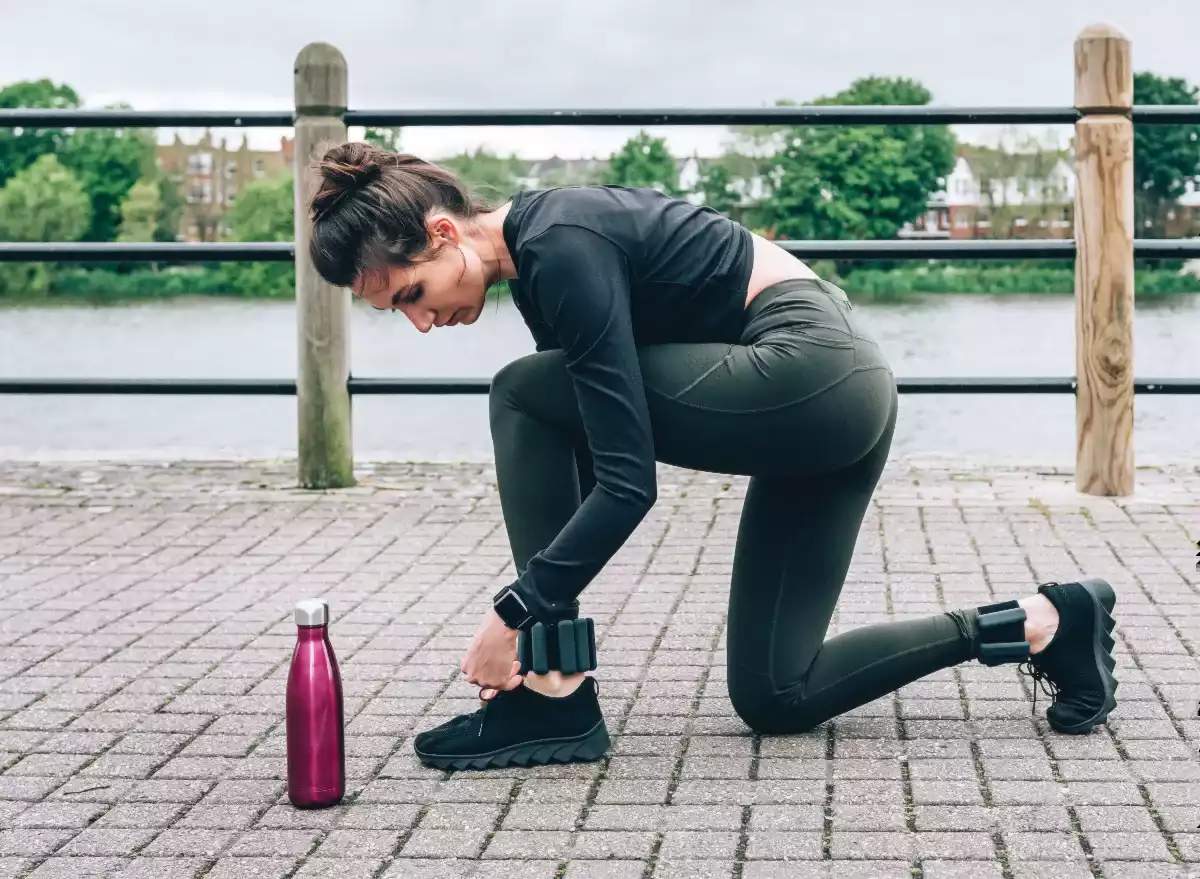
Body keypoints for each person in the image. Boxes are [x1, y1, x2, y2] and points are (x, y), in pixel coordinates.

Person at [306, 143, 1119, 771]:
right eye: (394, 314)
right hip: (831, 404)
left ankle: (555, 698)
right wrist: (543, 621)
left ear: (443, 234)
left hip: (813, 371)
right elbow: (583, 455)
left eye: (410, 293)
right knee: (776, 693)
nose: (419, 322)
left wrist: (515, 618)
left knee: (519, 390)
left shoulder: (560, 243)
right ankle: (1046, 621)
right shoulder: (541, 267)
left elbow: (628, 484)